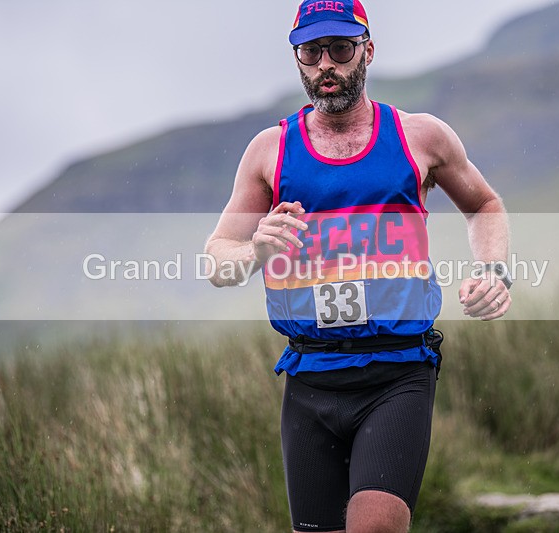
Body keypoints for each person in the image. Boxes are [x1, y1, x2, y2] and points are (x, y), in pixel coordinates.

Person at [205, 1, 511, 531]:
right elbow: (217, 260)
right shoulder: (269, 152)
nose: (326, 63)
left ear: (366, 51)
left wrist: (493, 271)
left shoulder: (421, 137)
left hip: (396, 375)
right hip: (309, 380)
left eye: (341, 49)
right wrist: (256, 249)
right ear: (298, 59)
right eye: (311, 51)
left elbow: (485, 204)